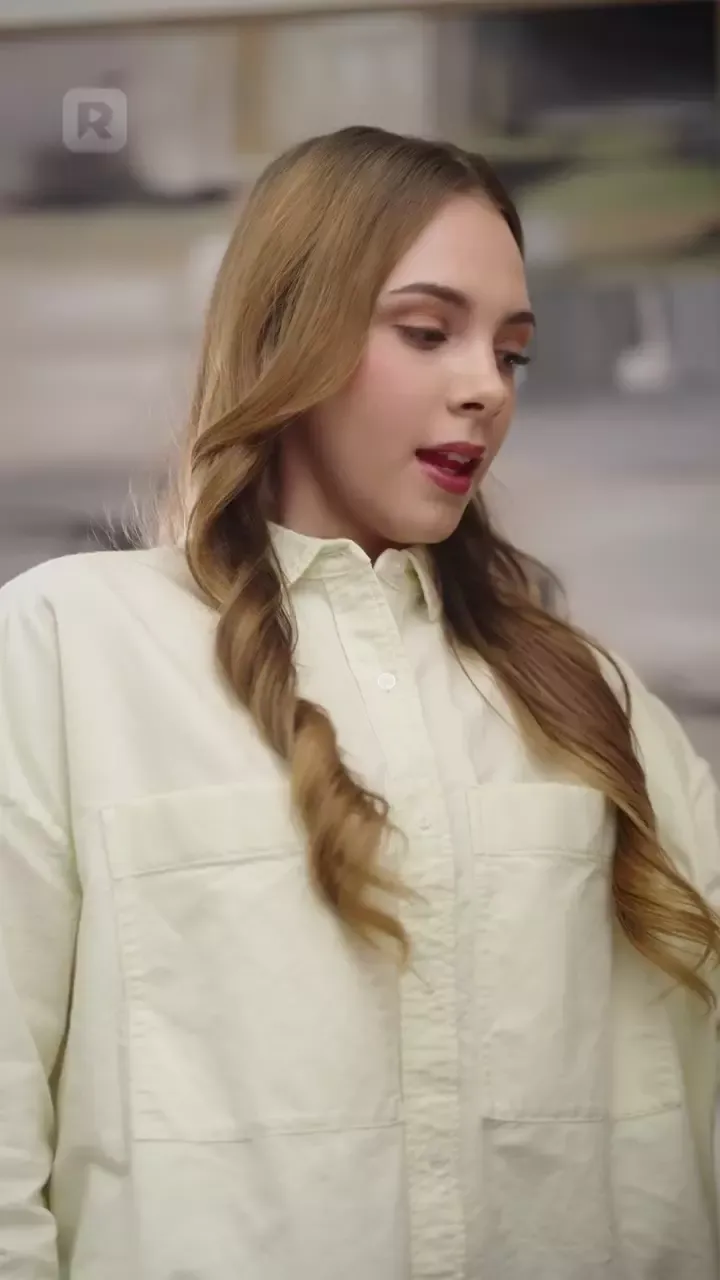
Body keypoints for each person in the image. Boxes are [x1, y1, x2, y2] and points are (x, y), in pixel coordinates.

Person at [0, 125, 718, 1280]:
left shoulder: (591, 700)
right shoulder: (66, 647)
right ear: (288, 331)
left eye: (513, 352)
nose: (485, 387)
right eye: (428, 332)